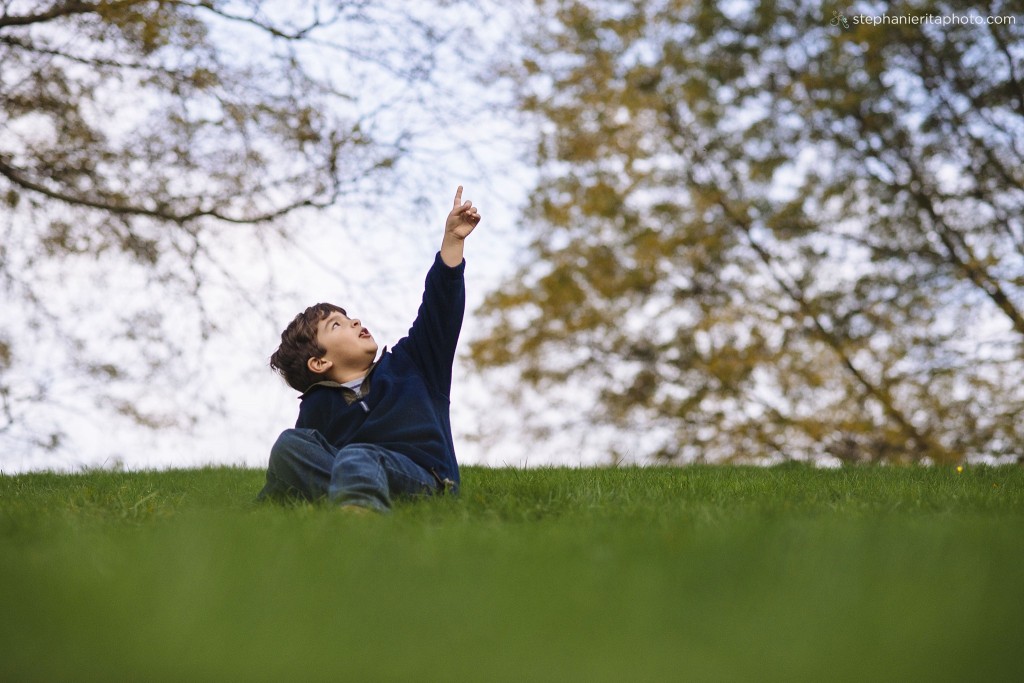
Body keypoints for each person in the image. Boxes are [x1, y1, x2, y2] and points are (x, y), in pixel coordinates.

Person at [256, 186, 481, 512]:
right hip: (352, 473)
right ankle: (353, 503)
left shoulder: (413, 364)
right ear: (319, 363)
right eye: (337, 325)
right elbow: (290, 473)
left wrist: (452, 241)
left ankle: (360, 521)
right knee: (290, 445)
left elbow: (440, 308)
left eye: (347, 317)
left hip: (424, 481)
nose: (354, 321)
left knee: (357, 454)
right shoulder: (317, 407)